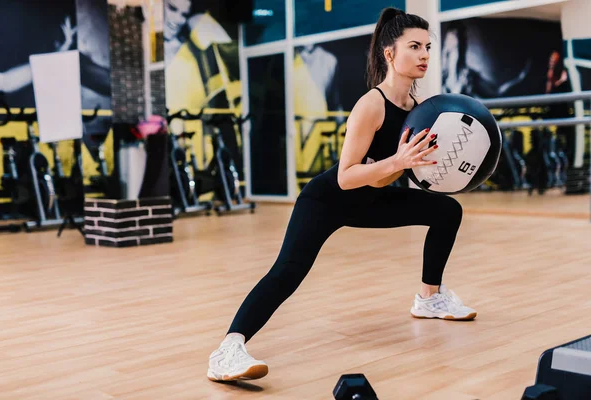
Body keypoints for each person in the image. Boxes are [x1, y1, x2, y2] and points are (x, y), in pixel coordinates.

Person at [207, 7, 477, 383]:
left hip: (372, 199)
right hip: (327, 201)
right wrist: (398, 160)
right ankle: (227, 349)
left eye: (427, 47)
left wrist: (433, 165)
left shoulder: (419, 111)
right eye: (414, 46)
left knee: (447, 211)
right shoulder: (371, 105)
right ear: (389, 54)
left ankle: (429, 298)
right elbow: (347, 177)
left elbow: (388, 178)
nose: (424, 56)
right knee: (288, 272)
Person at [441, 21, 531, 98]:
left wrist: (519, 78)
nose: (457, 47)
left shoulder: (469, 76)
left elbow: (495, 93)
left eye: (460, 39)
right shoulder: (440, 76)